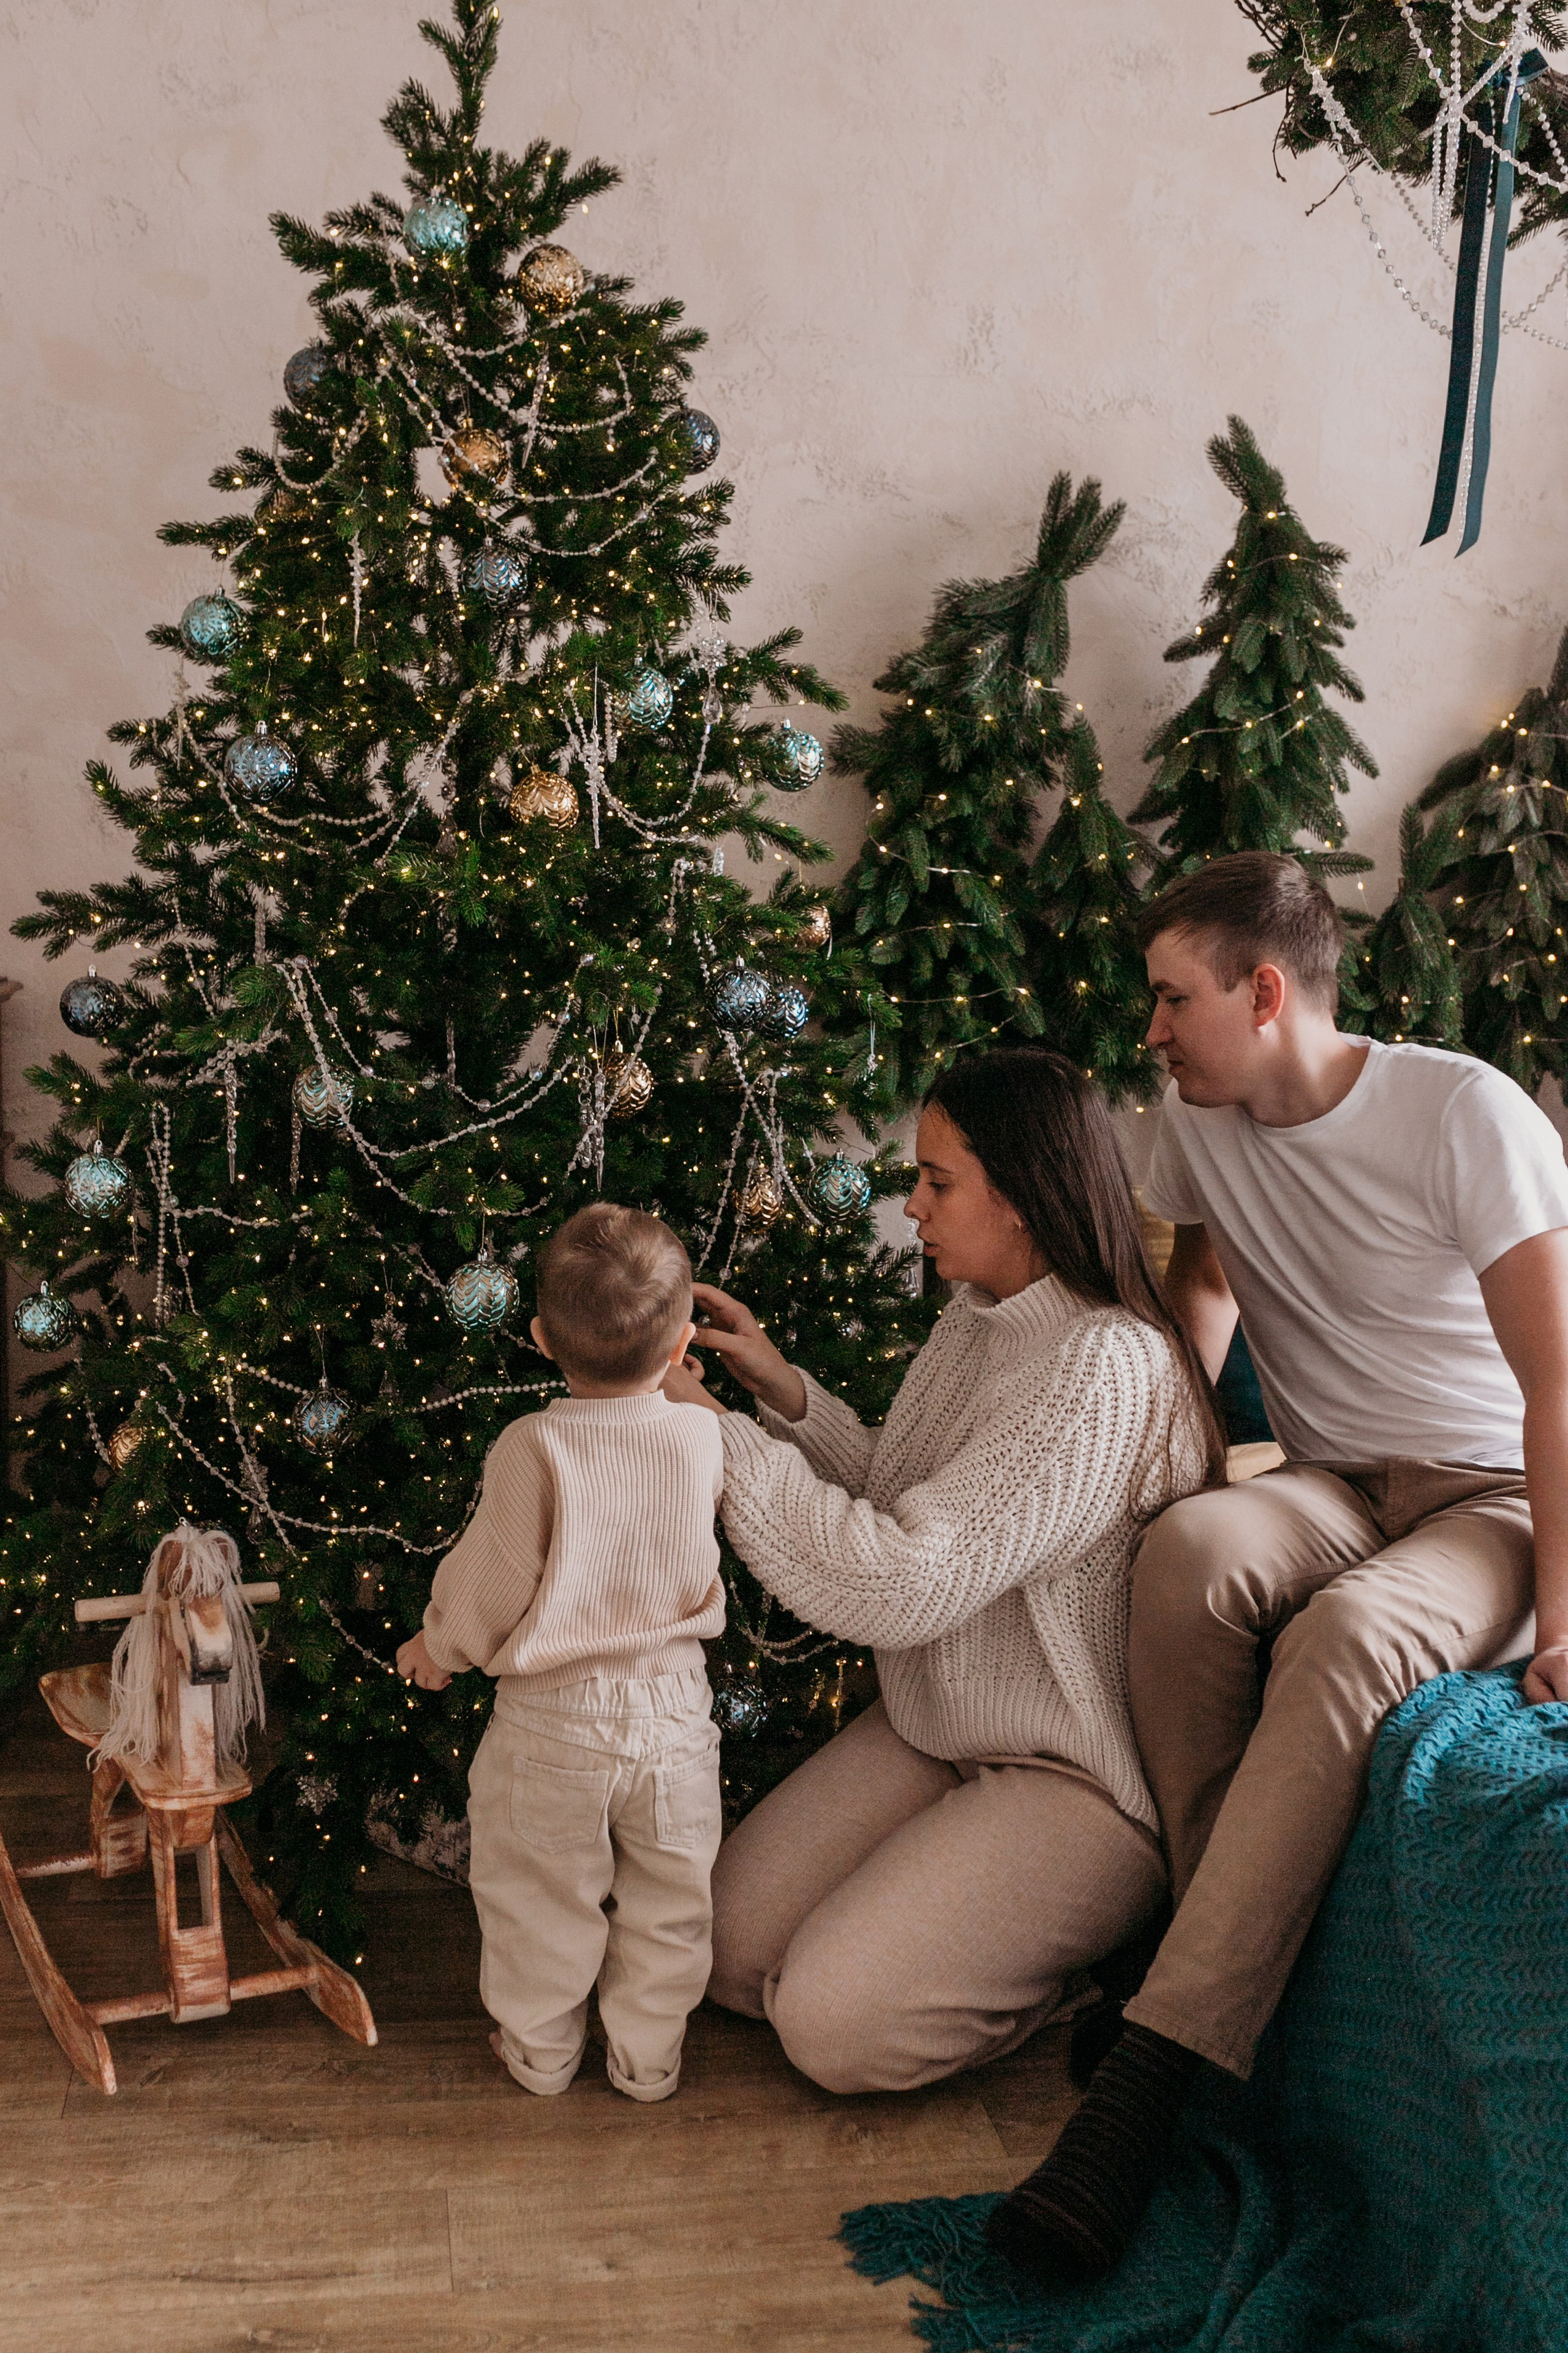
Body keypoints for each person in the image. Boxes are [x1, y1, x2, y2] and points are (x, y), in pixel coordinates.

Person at [989, 850, 1568, 2284]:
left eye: (1170, 998)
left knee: (1353, 1636)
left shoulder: (1462, 1113)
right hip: (1326, 1478)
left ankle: (1152, 2076)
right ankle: (1208, 1950)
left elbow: (1556, 1380)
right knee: (1185, 1548)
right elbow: (1199, 1277)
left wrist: (1566, 1610)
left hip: (1487, 1490)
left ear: (1263, 990)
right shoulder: (1203, 1119)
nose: (1150, 1030)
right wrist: (1172, 1436)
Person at [659, 1049, 1224, 2098]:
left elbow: (906, 1575)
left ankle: (1074, 1968)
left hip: (1072, 1774)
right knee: (726, 1955)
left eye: (937, 1179)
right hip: (937, 1727)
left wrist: (723, 1446)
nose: (910, 1203)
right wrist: (782, 1392)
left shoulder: (1106, 1364)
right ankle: (935, 1929)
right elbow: (909, 1491)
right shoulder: (980, 1317)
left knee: (830, 2028)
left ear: (1021, 1197)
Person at [396, 1202, 725, 2106]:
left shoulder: (532, 1445)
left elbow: (493, 1580)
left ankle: (542, 2047)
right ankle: (648, 2054)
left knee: (537, 1895)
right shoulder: (704, 1434)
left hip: (553, 1724)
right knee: (672, 1898)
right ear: (682, 1342)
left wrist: (439, 1644)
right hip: (674, 1721)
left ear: (541, 1337)